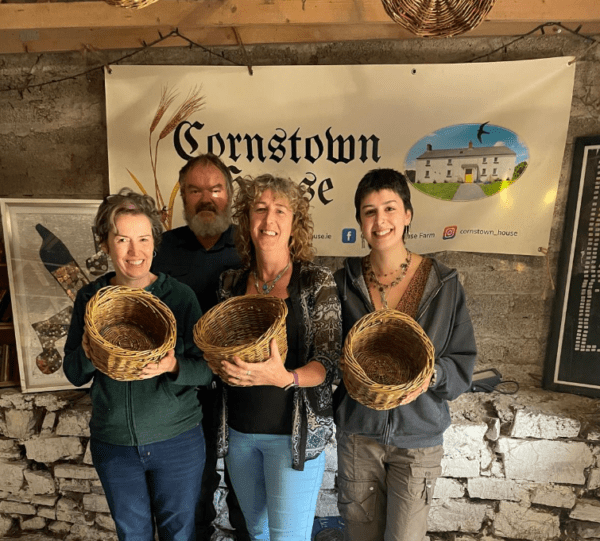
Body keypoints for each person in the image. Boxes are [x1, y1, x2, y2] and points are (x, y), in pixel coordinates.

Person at [333, 169, 477, 541]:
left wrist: (432, 377)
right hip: (359, 435)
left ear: (408, 214)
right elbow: (328, 354)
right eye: (369, 212)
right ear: (359, 222)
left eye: (390, 208)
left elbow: (462, 361)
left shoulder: (443, 283)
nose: (380, 221)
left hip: (418, 438)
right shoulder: (342, 283)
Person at [64, 188, 212, 541]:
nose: (135, 252)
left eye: (144, 239)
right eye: (122, 239)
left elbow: (207, 370)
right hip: (114, 444)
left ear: (155, 243)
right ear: (105, 244)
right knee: (132, 535)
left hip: (178, 442)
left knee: (180, 534)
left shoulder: (179, 297)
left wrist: (172, 366)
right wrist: (88, 353)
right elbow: (73, 373)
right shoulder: (90, 299)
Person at [212, 174, 342, 541]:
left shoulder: (316, 281)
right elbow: (217, 349)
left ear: (294, 223)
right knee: (257, 533)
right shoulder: (229, 284)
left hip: (291, 440)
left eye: (280, 210)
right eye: (260, 209)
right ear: (247, 220)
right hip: (239, 436)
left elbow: (329, 364)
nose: (269, 220)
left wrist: (286, 377)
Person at [151, 153, 248, 541]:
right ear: (183, 198)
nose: (206, 198)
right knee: (194, 491)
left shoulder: (251, 243)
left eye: (215, 189)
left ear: (230, 194)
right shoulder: (162, 248)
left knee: (246, 491)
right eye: (194, 190)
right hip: (184, 389)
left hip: (244, 385)